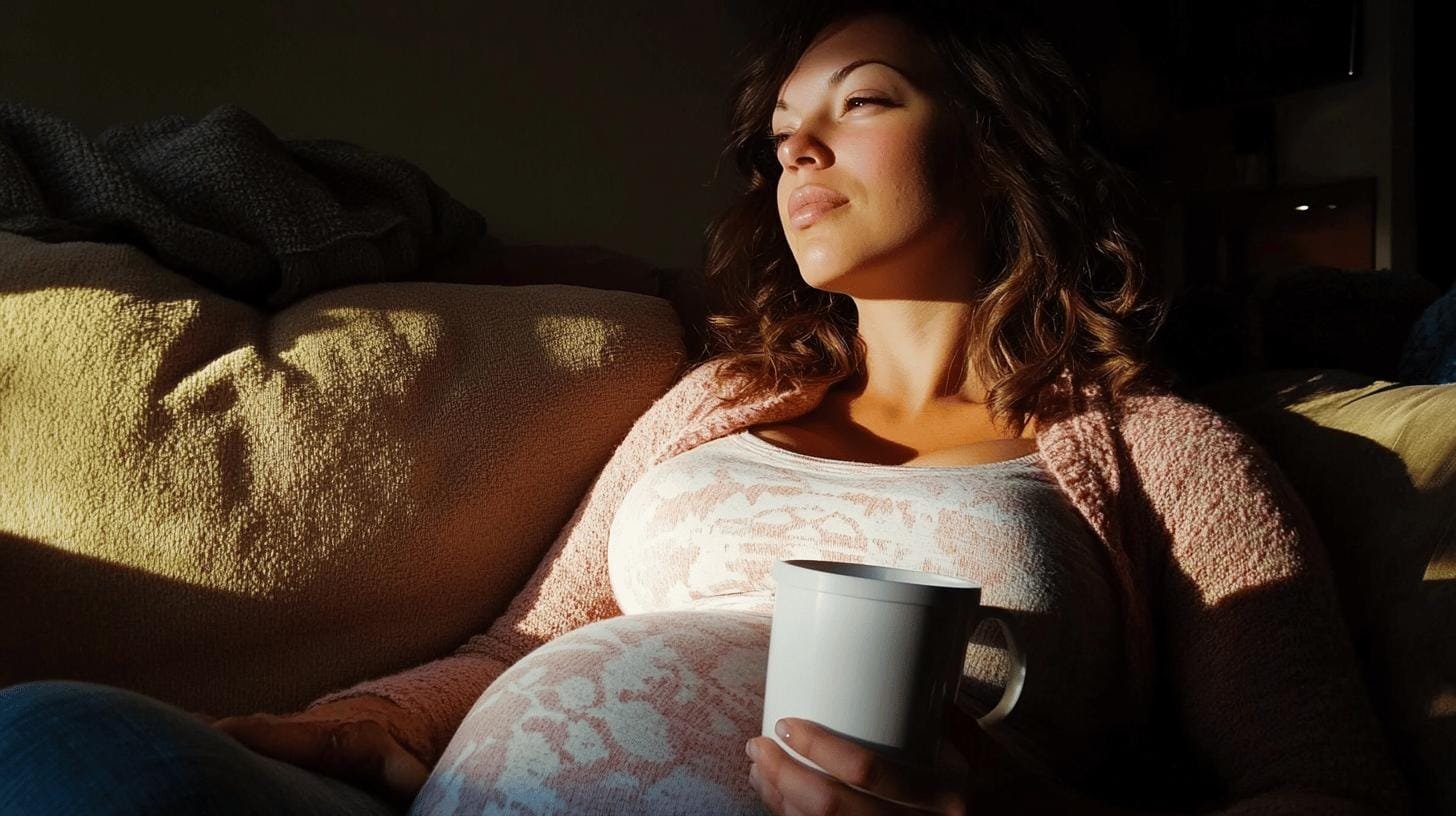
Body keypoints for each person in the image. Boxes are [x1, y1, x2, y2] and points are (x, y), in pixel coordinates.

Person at [0, 1, 1409, 814]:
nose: (798, 144)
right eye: (781, 127)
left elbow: (1326, 793)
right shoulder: (720, 393)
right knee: (55, 738)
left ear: (999, 147)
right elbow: (526, 645)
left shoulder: (1164, 449)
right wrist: (336, 727)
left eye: (858, 104)